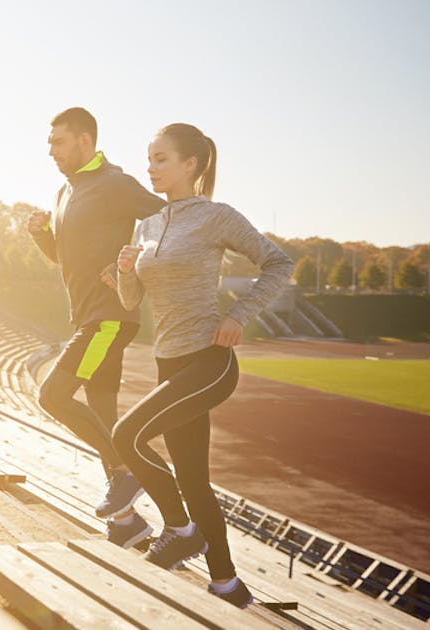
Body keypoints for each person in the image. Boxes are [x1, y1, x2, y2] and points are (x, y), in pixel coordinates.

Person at [103, 122, 294, 608]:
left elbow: (278, 263)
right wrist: (126, 271)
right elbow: (131, 301)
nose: (151, 167)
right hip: (170, 361)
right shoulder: (145, 225)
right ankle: (227, 584)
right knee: (192, 480)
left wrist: (238, 314)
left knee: (127, 435)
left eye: (161, 158)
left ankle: (182, 531)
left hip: (208, 361)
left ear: (192, 164)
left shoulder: (216, 217)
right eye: (149, 158)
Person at [28, 107, 165, 549]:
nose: (50, 150)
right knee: (104, 414)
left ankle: (130, 475)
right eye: (50, 143)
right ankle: (127, 522)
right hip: (88, 316)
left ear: (85, 141)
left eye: (58, 142)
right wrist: (41, 237)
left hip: (110, 316)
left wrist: (131, 264)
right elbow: (66, 258)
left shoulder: (116, 185)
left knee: (51, 395)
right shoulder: (64, 193)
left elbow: (170, 222)